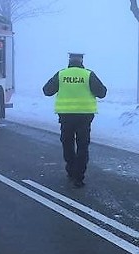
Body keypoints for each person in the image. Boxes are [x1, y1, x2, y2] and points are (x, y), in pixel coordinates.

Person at [42, 52, 108, 188]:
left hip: (66, 116)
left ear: (70, 60)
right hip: (85, 116)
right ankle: (79, 176)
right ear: (82, 60)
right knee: (83, 146)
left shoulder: (61, 74)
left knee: (68, 143)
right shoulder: (88, 75)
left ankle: (71, 169)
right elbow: (102, 93)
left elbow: (47, 90)